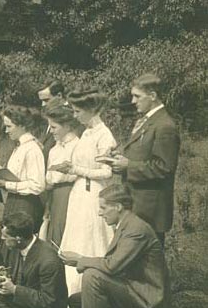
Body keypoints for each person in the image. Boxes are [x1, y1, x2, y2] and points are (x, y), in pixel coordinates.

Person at [61, 185, 170, 308]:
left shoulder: (136, 229)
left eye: (103, 208)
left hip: (147, 300)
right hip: (133, 290)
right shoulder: (126, 224)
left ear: (118, 207)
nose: (99, 213)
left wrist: (81, 260)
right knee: (76, 301)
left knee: (92, 276)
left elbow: (113, 266)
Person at [51, 89, 118, 295]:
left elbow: (107, 172)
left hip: (93, 194)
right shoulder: (87, 132)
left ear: (91, 110)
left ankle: (91, 293)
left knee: (91, 239)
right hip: (79, 193)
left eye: (78, 110)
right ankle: (70, 293)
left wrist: (75, 170)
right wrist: (70, 166)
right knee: (75, 238)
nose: (74, 115)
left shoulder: (105, 136)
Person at [107, 74, 180, 245]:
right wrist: (121, 158)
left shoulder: (165, 126)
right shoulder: (147, 121)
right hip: (137, 202)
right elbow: (142, 154)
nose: (133, 101)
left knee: (149, 263)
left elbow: (164, 167)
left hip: (150, 209)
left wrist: (128, 165)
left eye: (137, 96)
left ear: (153, 96)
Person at [0, 106, 46, 232]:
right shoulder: (20, 147)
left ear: (22, 125)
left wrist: (8, 184)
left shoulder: (32, 149)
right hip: (14, 201)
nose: (6, 131)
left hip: (25, 205)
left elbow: (38, 185)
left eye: (9, 126)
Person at [40, 103, 80, 246]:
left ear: (68, 126)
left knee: (65, 231)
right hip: (54, 195)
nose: (50, 131)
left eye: (54, 127)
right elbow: (50, 177)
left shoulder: (77, 146)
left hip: (69, 193)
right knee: (52, 229)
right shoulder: (55, 149)